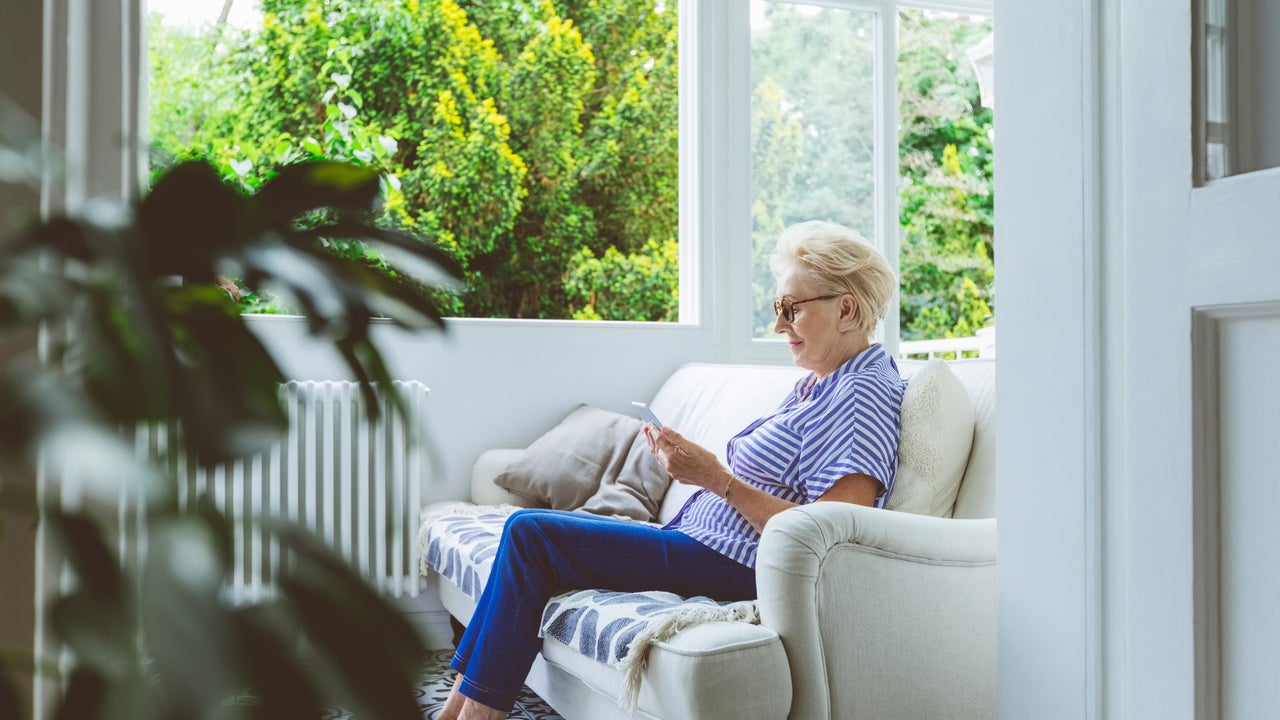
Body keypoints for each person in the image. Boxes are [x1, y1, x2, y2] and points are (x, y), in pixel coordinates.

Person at [439, 220, 905, 720]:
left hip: (736, 564)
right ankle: (456, 710)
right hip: (699, 543)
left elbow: (831, 538)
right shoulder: (821, 383)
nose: (778, 325)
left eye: (791, 309)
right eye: (777, 308)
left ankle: (475, 714)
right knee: (522, 533)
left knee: (533, 536)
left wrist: (715, 478)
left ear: (847, 309)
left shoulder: (862, 393)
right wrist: (698, 471)